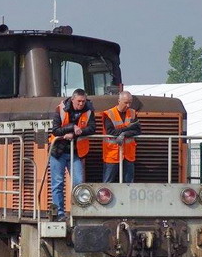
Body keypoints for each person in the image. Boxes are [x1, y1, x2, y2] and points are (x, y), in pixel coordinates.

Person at [49, 89, 95, 221]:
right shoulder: (61, 109)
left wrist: (74, 133)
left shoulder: (89, 110)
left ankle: (78, 212)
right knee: (58, 183)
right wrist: (72, 127)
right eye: (79, 101)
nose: (81, 104)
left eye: (83, 101)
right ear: (73, 99)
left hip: (76, 152)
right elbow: (56, 130)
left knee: (79, 182)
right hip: (58, 152)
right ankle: (60, 214)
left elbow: (92, 128)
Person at [102, 91, 141, 183]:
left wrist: (124, 134)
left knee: (129, 183)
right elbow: (111, 131)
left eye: (130, 103)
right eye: (126, 102)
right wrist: (128, 128)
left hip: (128, 154)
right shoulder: (109, 113)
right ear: (119, 101)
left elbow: (138, 130)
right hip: (112, 153)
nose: (128, 105)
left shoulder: (132, 113)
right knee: (108, 183)